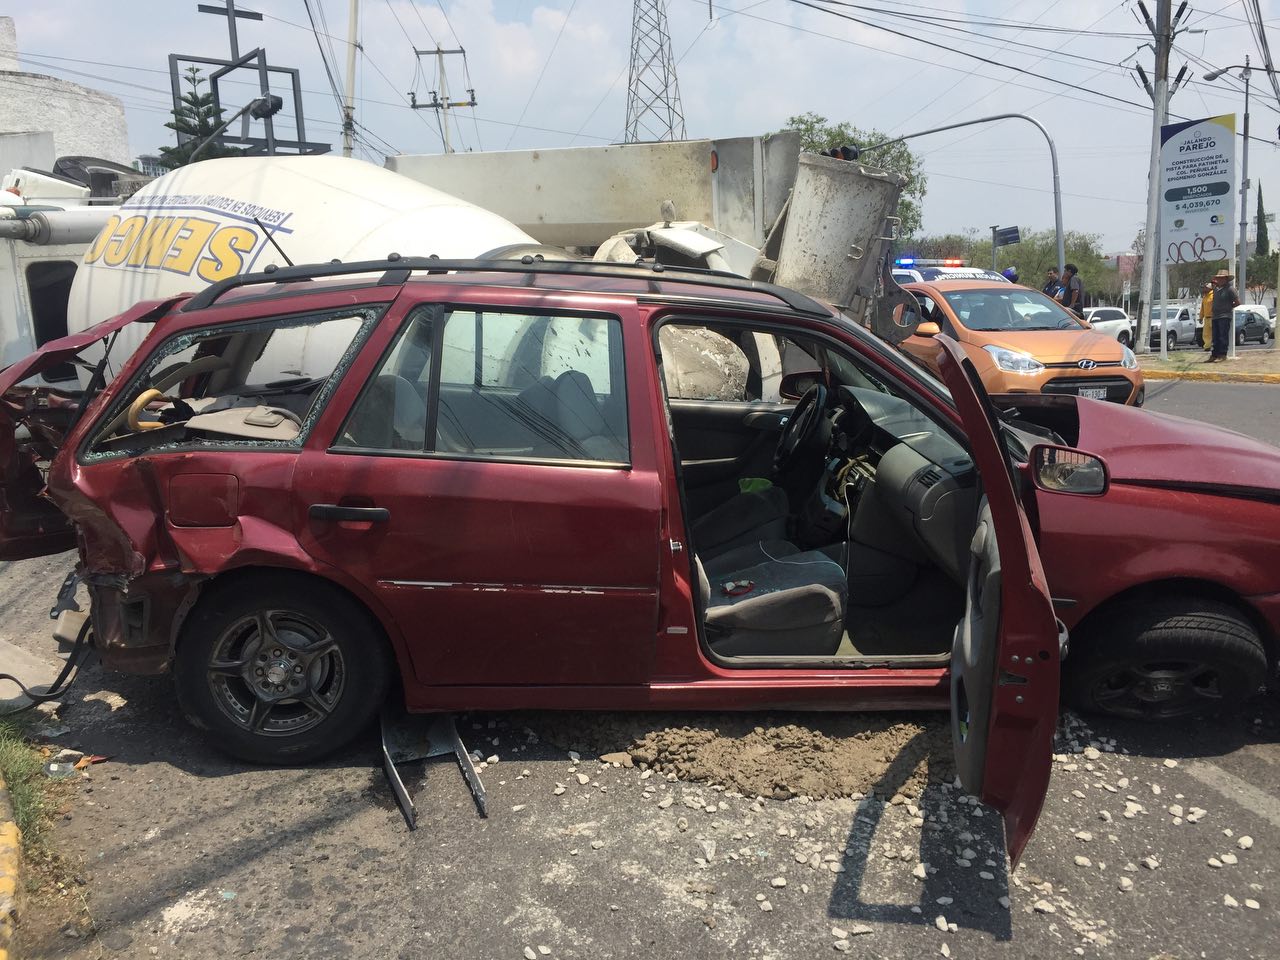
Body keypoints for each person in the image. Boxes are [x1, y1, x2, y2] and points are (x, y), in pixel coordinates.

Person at [1208, 267, 1240, 362]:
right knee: (1215, 336)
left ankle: (1222, 355)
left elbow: (1238, 302)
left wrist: (1229, 307)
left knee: (1223, 336)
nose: (1219, 279)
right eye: (1218, 278)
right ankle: (1214, 355)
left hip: (1224, 316)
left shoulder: (1230, 289)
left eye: (1221, 278)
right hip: (1215, 316)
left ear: (1226, 279)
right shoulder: (1216, 289)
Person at [1199, 282, 1214, 351]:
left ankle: (1215, 345)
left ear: (1209, 288)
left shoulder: (1213, 295)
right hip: (1206, 318)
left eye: (1205, 288)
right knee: (1206, 334)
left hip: (1213, 317)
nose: (1204, 289)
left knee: (1214, 333)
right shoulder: (1205, 297)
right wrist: (1201, 317)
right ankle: (1207, 346)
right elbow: (1202, 308)